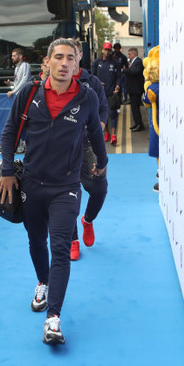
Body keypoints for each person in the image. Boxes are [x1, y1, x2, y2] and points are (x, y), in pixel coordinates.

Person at [0, 38, 108, 345]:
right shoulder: (29, 93)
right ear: (47, 62)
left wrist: (102, 163)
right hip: (32, 184)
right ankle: (42, 282)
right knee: (36, 241)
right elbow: (8, 134)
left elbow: (96, 134)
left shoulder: (86, 97)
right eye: (57, 57)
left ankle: (53, 319)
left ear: (76, 64)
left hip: (66, 187)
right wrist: (7, 171)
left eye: (69, 58)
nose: (63, 63)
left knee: (60, 249)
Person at [68, 38, 109, 261]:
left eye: (71, 55)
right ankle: (73, 239)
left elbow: (103, 108)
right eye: (62, 55)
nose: (67, 60)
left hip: (90, 143)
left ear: (79, 56)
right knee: (68, 192)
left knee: (100, 189)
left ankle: (88, 220)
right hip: (64, 147)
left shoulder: (91, 82)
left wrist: (98, 127)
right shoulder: (52, 83)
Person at [91, 41, 121, 144]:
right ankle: (106, 133)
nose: (107, 52)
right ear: (102, 50)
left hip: (112, 92)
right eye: (106, 50)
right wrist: (98, 82)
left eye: (109, 50)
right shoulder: (96, 62)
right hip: (100, 93)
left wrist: (117, 86)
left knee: (112, 113)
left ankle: (113, 135)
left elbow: (118, 77)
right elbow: (92, 76)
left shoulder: (115, 63)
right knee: (104, 114)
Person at [123, 47, 145, 132]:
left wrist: (125, 70)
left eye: (129, 54)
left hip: (136, 89)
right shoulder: (133, 62)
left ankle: (139, 125)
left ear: (134, 54)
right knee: (133, 108)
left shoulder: (138, 62)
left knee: (135, 108)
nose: (128, 56)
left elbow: (134, 71)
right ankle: (137, 123)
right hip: (133, 89)